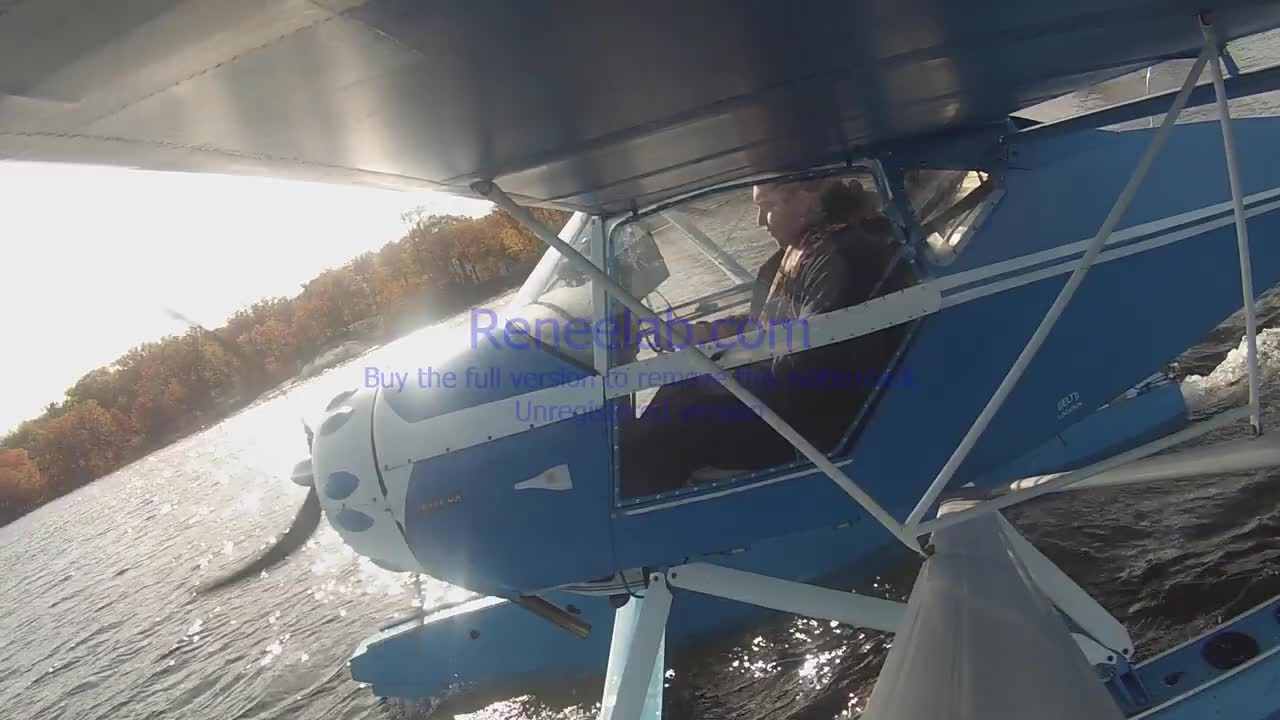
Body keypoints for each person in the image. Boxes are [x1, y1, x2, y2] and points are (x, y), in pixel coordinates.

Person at [619, 178, 911, 497]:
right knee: (678, 394)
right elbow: (761, 326)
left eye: (768, 207)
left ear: (807, 202)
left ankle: (642, 502)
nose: (759, 222)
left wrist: (720, 368)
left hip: (807, 424)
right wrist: (699, 334)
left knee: (671, 423)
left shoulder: (841, 258)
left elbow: (809, 368)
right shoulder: (806, 251)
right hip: (780, 402)